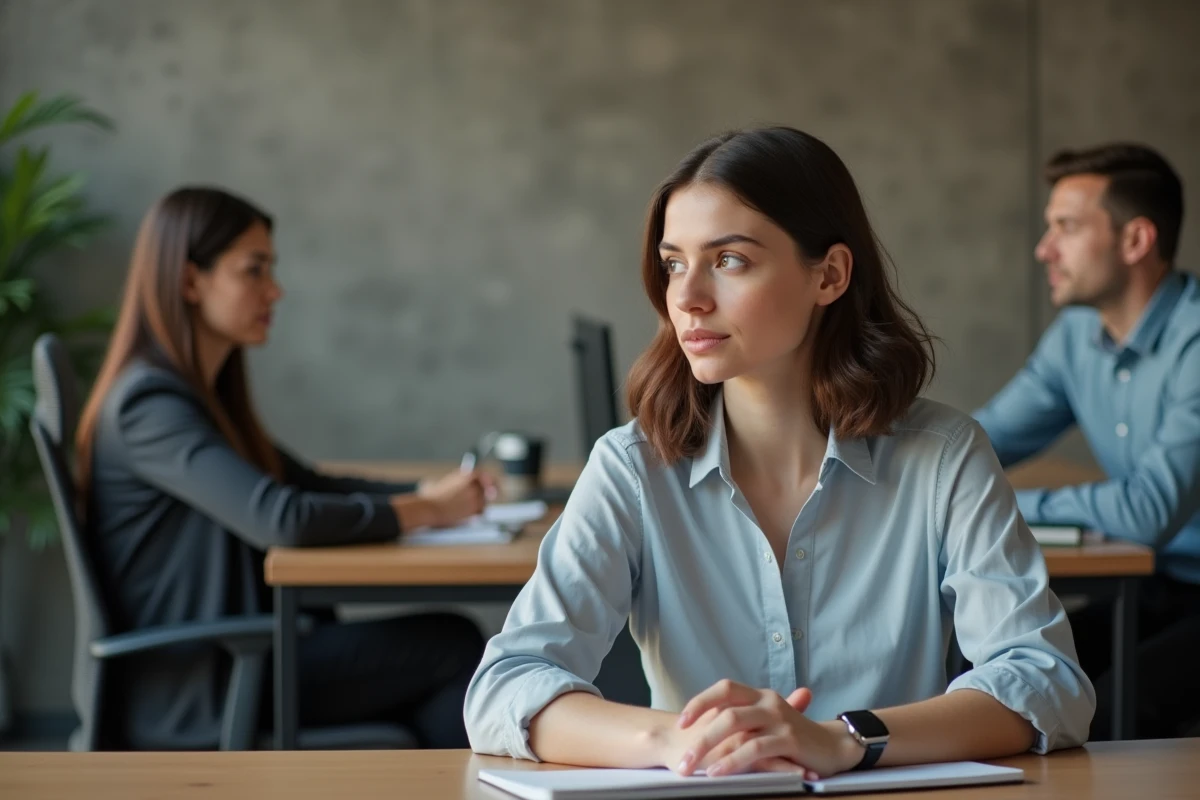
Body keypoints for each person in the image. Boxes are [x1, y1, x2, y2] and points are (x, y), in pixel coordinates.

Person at [464, 127, 1094, 778]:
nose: (686, 297)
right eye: (674, 262)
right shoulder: (632, 467)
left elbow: (1047, 682)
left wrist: (846, 740)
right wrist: (678, 741)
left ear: (830, 275)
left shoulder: (944, 457)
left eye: (729, 260)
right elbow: (505, 687)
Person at [75, 186, 489, 749]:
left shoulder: (199, 395)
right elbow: (283, 518)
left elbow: (308, 484)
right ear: (190, 280)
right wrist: (428, 510)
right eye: (254, 271)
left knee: (444, 674)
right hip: (207, 681)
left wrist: (428, 493)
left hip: (241, 657)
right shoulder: (150, 406)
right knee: (449, 645)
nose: (275, 290)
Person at [974, 143, 1200, 739]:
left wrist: (1000, 508)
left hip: (1180, 581)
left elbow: (1146, 511)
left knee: (1098, 716)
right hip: (1155, 584)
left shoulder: (1195, 341)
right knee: (1024, 692)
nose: (1044, 250)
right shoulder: (1076, 336)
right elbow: (980, 443)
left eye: (1066, 228)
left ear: (1135, 241)